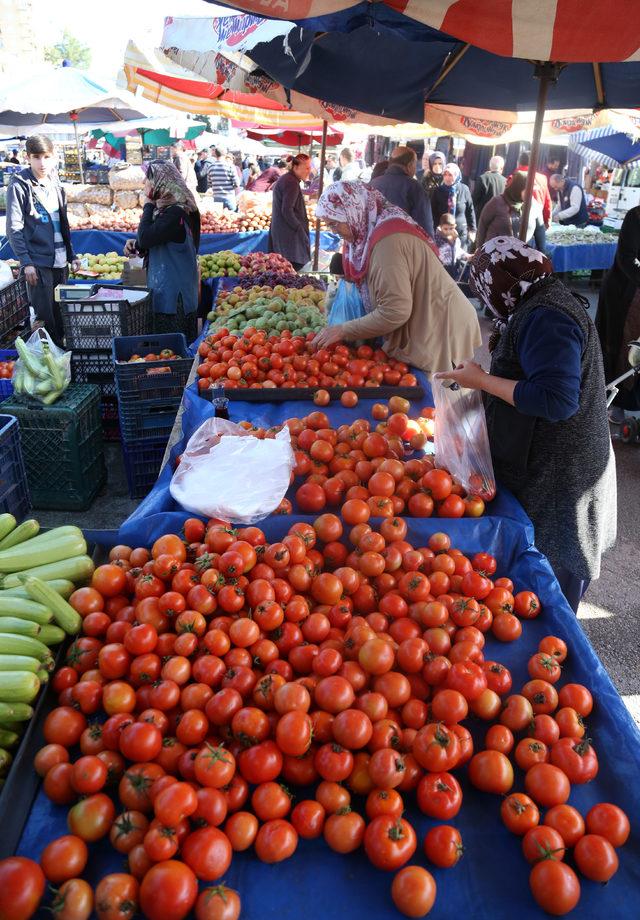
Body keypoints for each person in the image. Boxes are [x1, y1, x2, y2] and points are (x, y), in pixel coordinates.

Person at [434, 236, 616, 611]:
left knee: (548, 591)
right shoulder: (538, 300)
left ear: (501, 286)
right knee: (535, 581)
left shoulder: (547, 316)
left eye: (484, 291)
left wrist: (481, 381)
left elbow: (557, 399)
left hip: (563, 477)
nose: (486, 303)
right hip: (551, 464)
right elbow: (531, 376)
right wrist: (478, 393)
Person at [312, 181, 481, 373]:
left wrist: (344, 329)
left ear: (353, 212)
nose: (333, 231)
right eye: (328, 225)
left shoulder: (387, 242)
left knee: (444, 396)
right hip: (429, 323)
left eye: (334, 223)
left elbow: (395, 309)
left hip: (441, 328)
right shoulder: (371, 228)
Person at [6, 134, 79, 346]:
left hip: (60, 259)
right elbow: (14, 227)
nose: (42, 162)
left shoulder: (56, 184)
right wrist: (26, 261)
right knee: (44, 316)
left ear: (54, 157)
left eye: (46, 157)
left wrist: (71, 253)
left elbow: (62, 223)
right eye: (37, 157)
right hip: (38, 262)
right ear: (28, 157)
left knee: (60, 313)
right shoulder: (20, 184)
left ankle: (62, 355)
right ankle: (52, 360)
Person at [124, 161, 200, 340]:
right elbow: (151, 240)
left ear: (160, 182)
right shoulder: (170, 211)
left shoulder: (175, 213)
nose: (144, 182)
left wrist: (148, 204)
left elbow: (147, 237)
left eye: (148, 179)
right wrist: (136, 245)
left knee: (173, 351)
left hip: (173, 299)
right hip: (167, 293)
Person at [595, 205, 640, 412]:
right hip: (625, 295)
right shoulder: (635, 216)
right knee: (621, 348)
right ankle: (616, 402)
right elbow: (626, 258)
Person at [369, 146, 434, 238]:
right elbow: (425, 226)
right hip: (404, 246)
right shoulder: (415, 188)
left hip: (374, 245)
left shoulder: (372, 185)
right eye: (415, 165)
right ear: (410, 165)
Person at [476, 172, 543, 250]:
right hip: (495, 255)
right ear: (518, 188)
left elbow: (540, 230)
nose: (530, 194)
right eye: (527, 190)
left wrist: (542, 251)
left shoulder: (534, 205)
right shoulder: (496, 202)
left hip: (521, 257)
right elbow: (482, 226)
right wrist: (479, 250)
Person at [268, 153, 312, 270]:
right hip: (288, 236)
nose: (309, 171)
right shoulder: (291, 182)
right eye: (307, 168)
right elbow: (287, 210)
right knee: (290, 269)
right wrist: (299, 228)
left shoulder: (289, 179)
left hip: (285, 233)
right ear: (296, 167)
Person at [431, 163, 476, 250]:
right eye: (445, 175)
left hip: (460, 231)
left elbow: (470, 210)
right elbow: (433, 212)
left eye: (450, 175)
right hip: (443, 232)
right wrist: (435, 229)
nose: (447, 178)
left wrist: (473, 230)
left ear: (457, 175)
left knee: (461, 258)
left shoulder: (464, 189)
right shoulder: (438, 191)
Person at [512, 152, 552, 229]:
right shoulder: (542, 178)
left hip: (518, 221)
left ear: (519, 162)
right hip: (538, 221)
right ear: (534, 162)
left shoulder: (513, 177)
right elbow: (547, 202)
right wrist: (547, 221)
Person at [435, 213, 469, 279]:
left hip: (453, 269)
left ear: (455, 226)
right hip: (441, 270)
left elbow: (458, 251)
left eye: (451, 228)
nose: (448, 231)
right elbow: (442, 251)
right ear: (440, 227)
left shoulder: (456, 239)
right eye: (445, 229)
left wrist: (466, 256)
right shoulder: (437, 239)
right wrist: (450, 242)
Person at [472, 155, 506, 221]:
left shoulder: (483, 178)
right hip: (498, 218)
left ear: (490, 166)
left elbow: (474, 200)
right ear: (501, 168)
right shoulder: (505, 181)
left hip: (482, 216)